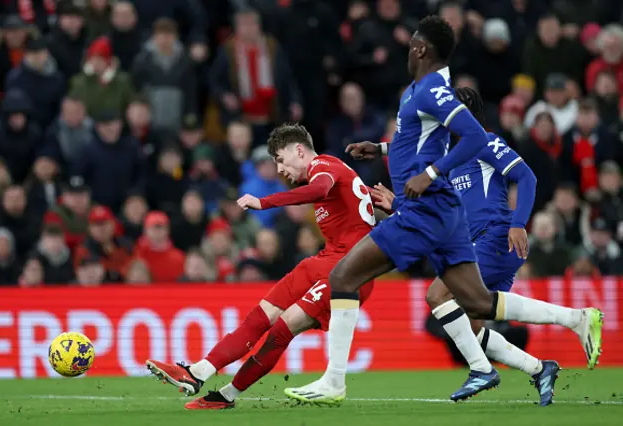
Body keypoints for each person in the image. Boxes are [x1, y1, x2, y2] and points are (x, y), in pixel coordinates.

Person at [286, 16, 603, 404]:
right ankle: (565, 329)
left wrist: (437, 179)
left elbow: (481, 149)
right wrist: (383, 152)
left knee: (346, 278)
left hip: (469, 227)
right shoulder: (421, 97)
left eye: (411, 44)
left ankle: (335, 380)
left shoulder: (443, 102)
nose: (406, 50)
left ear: (420, 49)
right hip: (450, 222)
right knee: (472, 304)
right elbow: (419, 145)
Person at [338, 87, 558, 406]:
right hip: (472, 246)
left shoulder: (485, 142)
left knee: (437, 295)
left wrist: (518, 223)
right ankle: (541, 369)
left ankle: (569, 323)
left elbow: (527, 178)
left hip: (493, 240)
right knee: (474, 326)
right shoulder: (451, 163)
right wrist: (397, 199)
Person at [145, 123, 376, 409]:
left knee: (282, 328)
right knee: (259, 317)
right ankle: (199, 373)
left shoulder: (322, 167)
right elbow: (360, 198)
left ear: (299, 150)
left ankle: (227, 391)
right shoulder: (336, 170)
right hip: (323, 261)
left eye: (280, 159)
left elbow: (320, 189)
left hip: (347, 270)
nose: (280, 169)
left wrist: (264, 202)